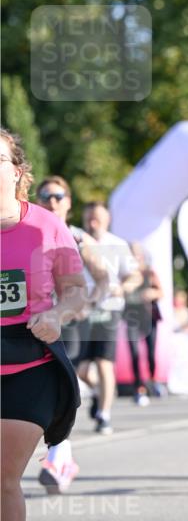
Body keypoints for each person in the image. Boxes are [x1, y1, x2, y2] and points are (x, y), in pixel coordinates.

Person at [1, 129, 85, 521]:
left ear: (17, 171)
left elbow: (76, 290)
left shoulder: (46, 226)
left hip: (29, 361)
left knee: (3, 477)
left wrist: (58, 315)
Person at [35, 175, 108, 490]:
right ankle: (61, 455)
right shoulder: (28, 233)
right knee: (43, 390)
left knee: (55, 389)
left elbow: (103, 278)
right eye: (46, 195)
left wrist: (87, 304)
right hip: (34, 322)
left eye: (58, 196)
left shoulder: (78, 238)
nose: (52, 201)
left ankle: (60, 458)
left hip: (71, 320)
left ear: (68, 202)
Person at [77, 202, 141, 434]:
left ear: (106, 220)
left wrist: (122, 288)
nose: (93, 222)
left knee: (104, 363)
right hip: (83, 309)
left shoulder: (117, 244)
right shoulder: (77, 241)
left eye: (97, 218)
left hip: (110, 309)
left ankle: (104, 415)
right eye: (89, 218)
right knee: (82, 370)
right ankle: (99, 392)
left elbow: (134, 276)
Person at [124, 242, 164, 406]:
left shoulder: (149, 272)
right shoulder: (125, 274)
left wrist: (151, 293)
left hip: (149, 316)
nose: (135, 257)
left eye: (137, 254)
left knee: (151, 353)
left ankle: (153, 381)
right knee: (134, 352)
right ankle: (138, 387)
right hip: (132, 316)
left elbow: (161, 292)